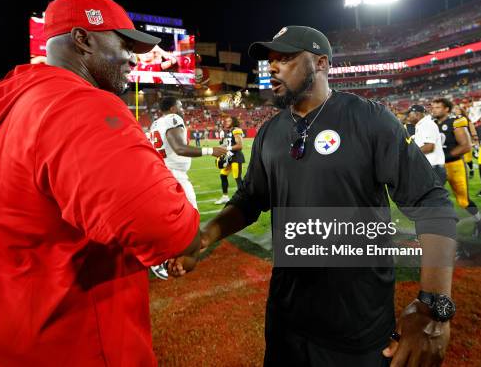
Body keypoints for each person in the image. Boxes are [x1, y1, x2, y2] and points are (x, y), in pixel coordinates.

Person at [0, 0, 201, 366]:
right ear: (82, 39)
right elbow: (166, 228)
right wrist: (192, 236)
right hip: (50, 343)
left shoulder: (17, 102)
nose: (134, 57)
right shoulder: (77, 104)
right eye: (123, 43)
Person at [187, 25, 458, 367]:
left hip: (357, 323)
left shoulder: (370, 119)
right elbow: (250, 199)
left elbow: (431, 202)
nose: (272, 67)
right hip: (287, 321)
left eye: (284, 58)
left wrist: (434, 303)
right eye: (270, 60)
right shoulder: (271, 131)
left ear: (321, 64)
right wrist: (206, 234)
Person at [148, 96, 226, 279]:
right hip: (174, 176)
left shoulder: (155, 124)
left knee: (171, 222)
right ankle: (163, 260)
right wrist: (210, 150)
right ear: (174, 108)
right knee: (191, 222)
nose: (183, 109)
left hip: (162, 174)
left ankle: (170, 256)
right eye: (181, 106)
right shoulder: (173, 119)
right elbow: (179, 148)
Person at [431, 98, 481, 239]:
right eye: (434, 107)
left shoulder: (455, 122)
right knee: (433, 198)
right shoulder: (432, 124)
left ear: (447, 109)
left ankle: (479, 223)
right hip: (437, 166)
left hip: (454, 165)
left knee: (463, 201)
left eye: (438, 107)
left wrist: (444, 156)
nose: (434, 109)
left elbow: (465, 146)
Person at [407, 104, 446, 184]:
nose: (408, 117)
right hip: (429, 167)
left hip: (433, 167)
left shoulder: (427, 124)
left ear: (417, 114)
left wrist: (409, 155)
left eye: (409, 115)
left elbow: (429, 147)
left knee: (434, 196)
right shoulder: (421, 125)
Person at [214, 116, 245, 205]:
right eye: (226, 121)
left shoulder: (236, 130)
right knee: (223, 175)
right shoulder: (228, 132)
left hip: (236, 157)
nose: (226, 122)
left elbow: (239, 145)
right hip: (229, 158)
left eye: (229, 121)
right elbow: (226, 144)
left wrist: (226, 148)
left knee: (237, 178)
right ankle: (225, 197)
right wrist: (219, 147)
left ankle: (243, 198)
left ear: (234, 121)